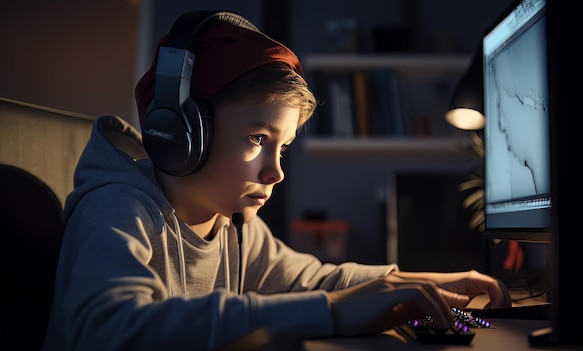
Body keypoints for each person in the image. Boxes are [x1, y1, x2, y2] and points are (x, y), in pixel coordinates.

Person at [43, 10, 511, 351]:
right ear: (182, 134)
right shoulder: (119, 208)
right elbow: (106, 329)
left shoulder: (236, 225)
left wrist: (428, 282)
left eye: (282, 147)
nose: (276, 171)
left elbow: (314, 278)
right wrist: (331, 311)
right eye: (256, 138)